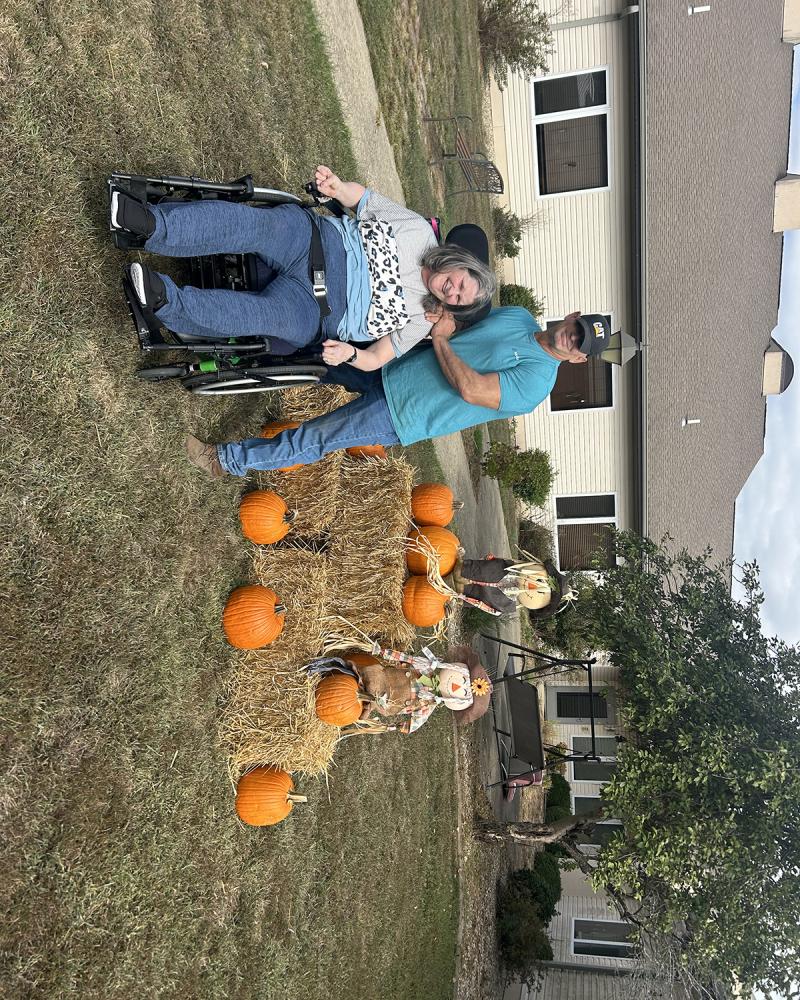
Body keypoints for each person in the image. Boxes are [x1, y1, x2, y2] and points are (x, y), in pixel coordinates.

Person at [110, 165, 495, 363]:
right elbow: (365, 201)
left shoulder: (421, 318)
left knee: (261, 316)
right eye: (461, 283)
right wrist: (338, 188)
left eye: (459, 300)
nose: (453, 291)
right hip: (316, 242)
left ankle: (163, 301)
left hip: (318, 310)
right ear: (459, 263)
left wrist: (351, 354)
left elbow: (378, 357)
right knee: (255, 226)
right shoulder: (418, 232)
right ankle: (151, 225)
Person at [185, 308, 612, 477]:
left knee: (315, 437)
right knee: (316, 357)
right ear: (572, 316)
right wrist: (443, 320)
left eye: (580, 345)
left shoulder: (537, 383)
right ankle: (229, 359)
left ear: (579, 360)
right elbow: (466, 328)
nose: (572, 338)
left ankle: (225, 460)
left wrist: (441, 340)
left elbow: (471, 388)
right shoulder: (519, 317)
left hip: (404, 411)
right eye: (577, 328)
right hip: (393, 365)